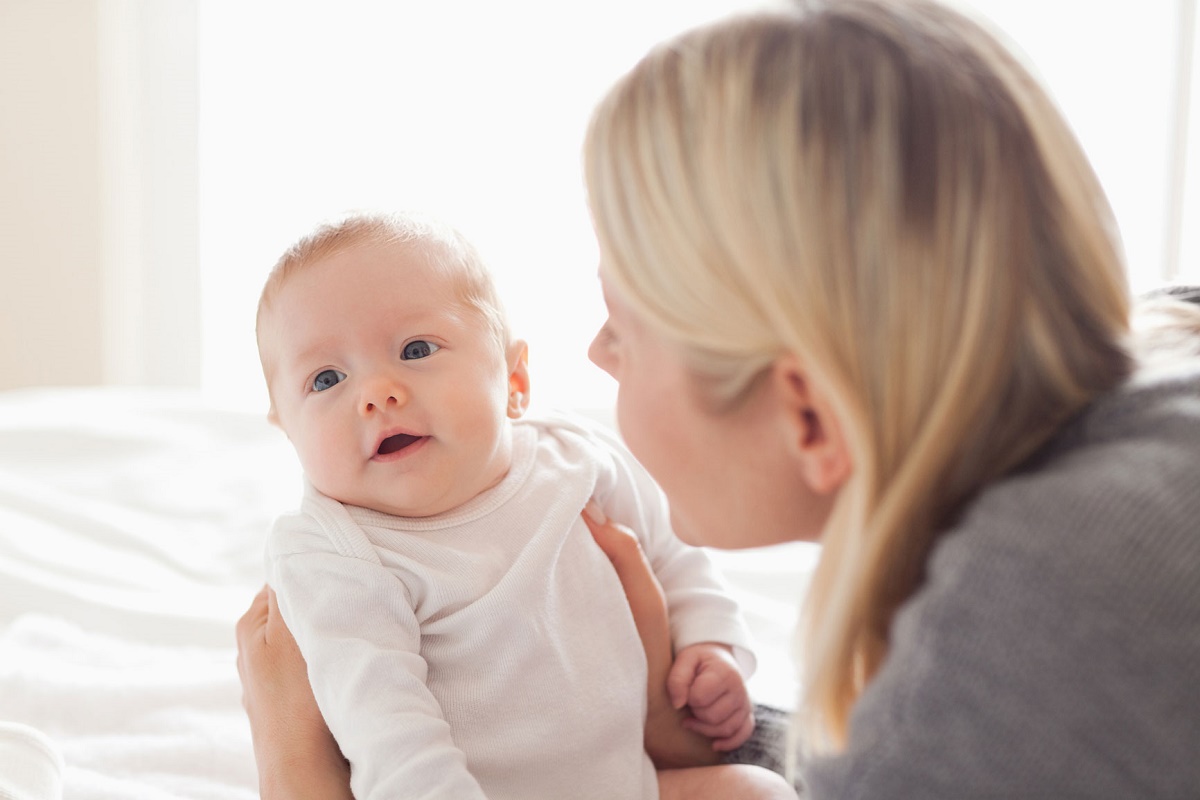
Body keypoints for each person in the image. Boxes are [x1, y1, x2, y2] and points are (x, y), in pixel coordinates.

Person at [238, 0, 1200, 797]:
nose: (596, 354)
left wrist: (297, 770)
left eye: (629, 325)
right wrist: (671, 726)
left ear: (808, 414)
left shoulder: (1028, 629)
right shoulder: (1162, 350)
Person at [250, 210, 791, 800]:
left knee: (759, 791)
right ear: (287, 429)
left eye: (416, 349)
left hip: (630, 781)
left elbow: (671, 552)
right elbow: (389, 736)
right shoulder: (336, 554)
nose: (378, 393)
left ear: (514, 380)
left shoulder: (572, 459)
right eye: (327, 379)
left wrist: (711, 645)